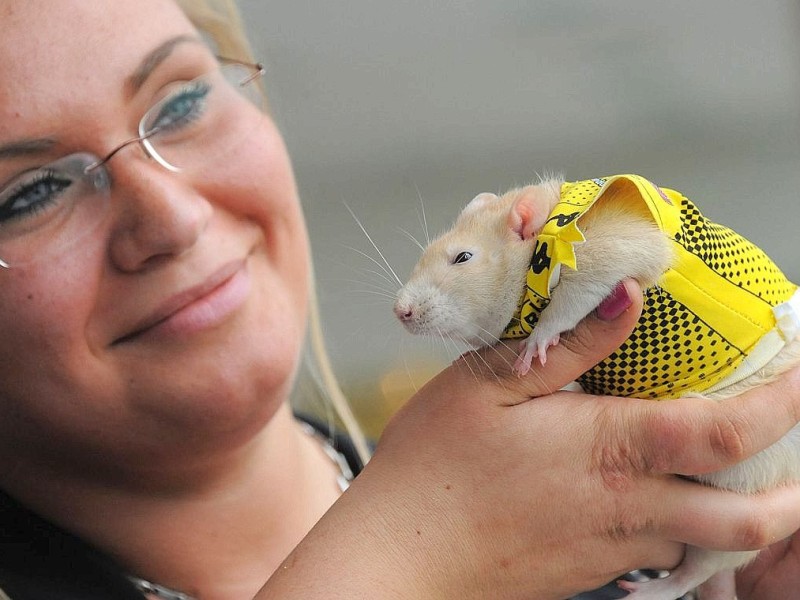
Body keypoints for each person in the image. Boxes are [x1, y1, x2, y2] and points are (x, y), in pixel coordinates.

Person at [0, 1, 799, 599]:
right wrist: (410, 548)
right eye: (30, 191)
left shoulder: (615, 528)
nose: (172, 219)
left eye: (178, 104)